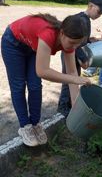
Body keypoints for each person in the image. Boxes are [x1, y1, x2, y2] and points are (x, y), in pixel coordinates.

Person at [1, 13, 92, 147]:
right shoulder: (48, 34)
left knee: (35, 85)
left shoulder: (70, 42)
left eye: (77, 45)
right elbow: (42, 71)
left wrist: (75, 107)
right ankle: (25, 126)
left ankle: (36, 124)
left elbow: (72, 72)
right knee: (19, 85)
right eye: (72, 43)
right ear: (62, 33)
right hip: (13, 43)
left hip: (33, 45)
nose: (73, 47)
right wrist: (75, 79)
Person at [58, 0, 102, 117]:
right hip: (71, 53)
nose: (99, 15)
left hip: (75, 53)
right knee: (69, 80)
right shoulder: (82, 20)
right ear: (91, 6)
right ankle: (63, 108)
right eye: (99, 11)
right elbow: (78, 44)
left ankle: (70, 105)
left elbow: (82, 40)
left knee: (73, 78)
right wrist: (84, 59)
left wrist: (91, 40)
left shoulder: (85, 19)